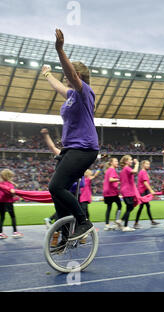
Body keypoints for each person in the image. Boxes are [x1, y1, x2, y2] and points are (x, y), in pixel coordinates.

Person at [41, 29, 99, 241]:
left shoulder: (85, 92)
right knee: (57, 193)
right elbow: (58, 87)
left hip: (84, 148)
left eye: (69, 72)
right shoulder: (72, 95)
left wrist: (59, 50)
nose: (64, 75)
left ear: (79, 76)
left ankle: (83, 221)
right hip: (69, 149)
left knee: (55, 186)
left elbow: (71, 75)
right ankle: (65, 236)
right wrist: (47, 74)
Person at [134, 160, 158, 229]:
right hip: (143, 192)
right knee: (142, 207)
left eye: (149, 164)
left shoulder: (143, 172)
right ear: (143, 165)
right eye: (147, 164)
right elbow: (145, 183)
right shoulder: (143, 172)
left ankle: (151, 221)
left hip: (144, 191)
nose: (148, 165)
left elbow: (145, 181)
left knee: (147, 206)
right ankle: (136, 223)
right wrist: (151, 190)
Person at [0, 169, 23, 239]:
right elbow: (11, 194)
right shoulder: (9, 184)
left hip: (1, 202)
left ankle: (0, 233)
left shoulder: (1, 183)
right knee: (12, 216)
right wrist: (17, 198)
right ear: (8, 176)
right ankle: (15, 232)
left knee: (2, 217)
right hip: (8, 202)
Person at [118, 155, 139, 232]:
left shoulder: (123, 170)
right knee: (130, 208)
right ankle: (123, 223)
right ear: (126, 161)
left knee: (129, 208)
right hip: (128, 191)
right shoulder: (127, 168)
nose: (132, 161)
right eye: (130, 160)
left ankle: (123, 223)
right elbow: (135, 171)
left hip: (125, 191)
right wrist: (137, 164)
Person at [103, 157, 122, 231]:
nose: (117, 162)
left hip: (107, 192)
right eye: (116, 161)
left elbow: (110, 181)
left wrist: (118, 182)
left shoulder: (108, 170)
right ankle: (117, 221)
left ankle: (107, 224)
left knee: (109, 208)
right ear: (111, 163)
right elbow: (111, 179)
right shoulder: (112, 169)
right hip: (112, 192)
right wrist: (120, 179)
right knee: (119, 206)